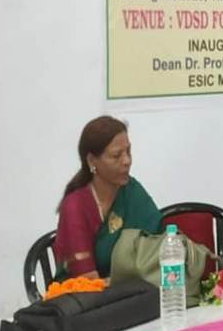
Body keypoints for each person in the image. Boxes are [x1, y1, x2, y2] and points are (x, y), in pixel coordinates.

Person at [53, 116, 162, 280]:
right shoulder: (75, 206)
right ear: (92, 161)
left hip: (133, 287)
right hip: (87, 292)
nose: (127, 161)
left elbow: (160, 244)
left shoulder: (131, 190)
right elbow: (87, 279)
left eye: (128, 151)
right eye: (117, 155)